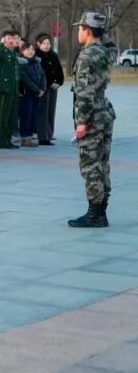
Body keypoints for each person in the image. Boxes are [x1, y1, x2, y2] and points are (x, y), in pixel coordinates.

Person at [68, 12, 116, 228]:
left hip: (92, 117)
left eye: (80, 29)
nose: (78, 33)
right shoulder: (106, 52)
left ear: (87, 31)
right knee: (102, 163)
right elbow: (112, 45)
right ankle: (101, 211)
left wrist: (82, 122)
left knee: (90, 166)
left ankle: (94, 214)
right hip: (104, 112)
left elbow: (84, 93)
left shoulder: (87, 56)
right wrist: (101, 33)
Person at [0, 31, 21, 149]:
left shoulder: (12, 52)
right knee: (4, 116)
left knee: (10, 116)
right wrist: (1, 44)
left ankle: (8, 140)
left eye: (13, 38)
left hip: (13, 88)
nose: (11, 41)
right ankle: (2, 141)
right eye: (8, 38)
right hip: (6, 88)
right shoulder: (2, 51)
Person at [35, 34, 64, 145]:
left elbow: (59, 70)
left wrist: (58, 82)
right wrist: (48, 83)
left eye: (48, 43)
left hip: (53, 87)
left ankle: (49, 134)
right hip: (43, 87)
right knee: (43, 112)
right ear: (39, 44)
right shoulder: (37, 55)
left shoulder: (53, 55)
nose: (47, 46)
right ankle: (43, 137)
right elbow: (41, 72)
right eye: (44, 44)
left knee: (51, 110)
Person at [17, 42, 47, 148]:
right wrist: (37, 90)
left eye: (32, 49)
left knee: (33, 116)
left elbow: (43, 76)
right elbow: (25, 80)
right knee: (26, 116)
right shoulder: (21, 63)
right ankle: (24, 138)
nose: (30, 51)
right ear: (22, 51)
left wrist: (43, 89)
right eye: (28, 49)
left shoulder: (36, 62)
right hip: (27, 94)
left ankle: (29, 138)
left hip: (37, 94)